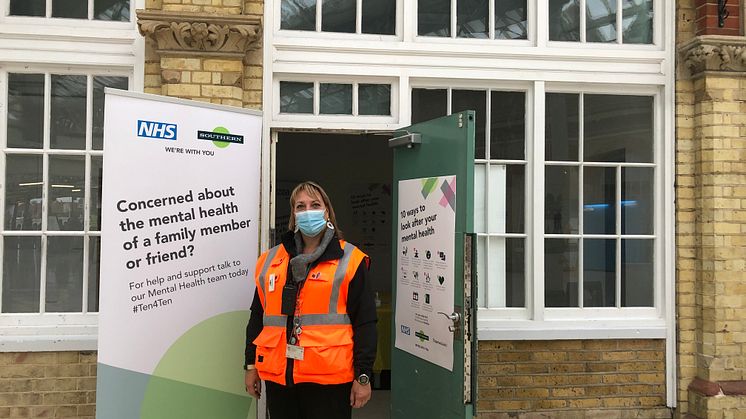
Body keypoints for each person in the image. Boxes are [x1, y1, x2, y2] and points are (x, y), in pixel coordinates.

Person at [244, 181, 378, 419]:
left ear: (327, 211)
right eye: (300, 206)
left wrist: (363, 376)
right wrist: (250, 366)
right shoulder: (270, 261)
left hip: (329, 381)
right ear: (294, 216)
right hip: (281, 379)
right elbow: (258, 316)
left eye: (315, 205)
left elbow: (366, 322)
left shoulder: (350, 260)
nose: (308, 211)